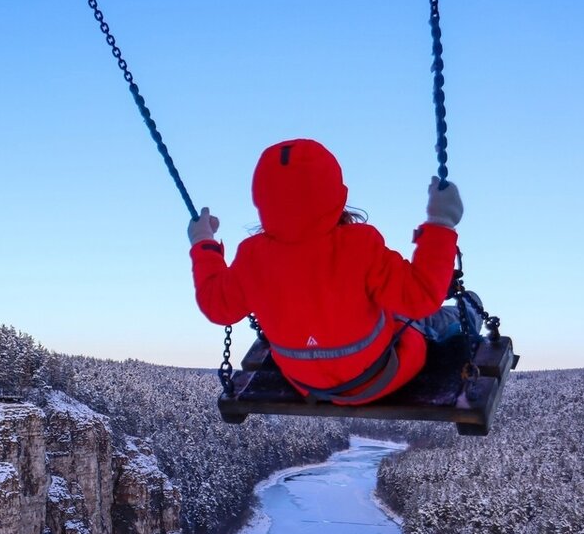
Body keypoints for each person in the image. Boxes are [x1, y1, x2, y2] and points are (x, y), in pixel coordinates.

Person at [189, 138, 477, 405]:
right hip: (381, 376)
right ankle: (466, 313)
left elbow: (217, 306)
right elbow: (422, 296)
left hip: (306, 382)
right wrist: (441, 223)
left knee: (389, 312)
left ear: (261, 198)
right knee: (427, 318)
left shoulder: (252, 256)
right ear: (337, 193)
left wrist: (203, 242)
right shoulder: (360, 244)